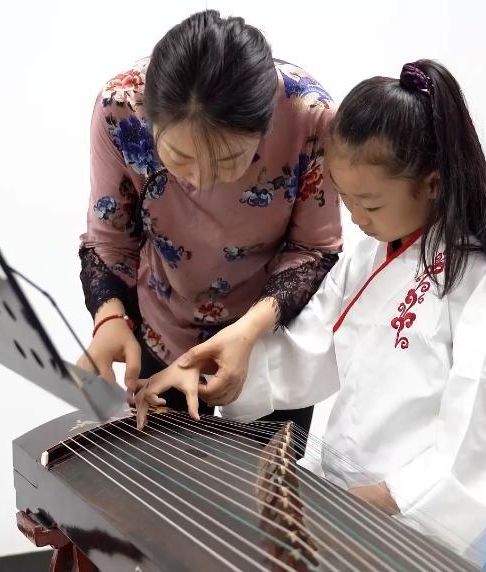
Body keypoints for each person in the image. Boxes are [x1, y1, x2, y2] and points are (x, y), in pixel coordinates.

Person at [136, 59, 486, 565]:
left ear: (432, 183)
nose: (357, 219)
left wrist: (388, 498)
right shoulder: (368, 256)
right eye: (347, 201)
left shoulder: (479, 277)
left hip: (417, 519)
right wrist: (210, 372)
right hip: (346, 491)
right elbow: (310, 345)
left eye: (371, 204)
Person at [78, 10, 342, 431]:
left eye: (228, 161)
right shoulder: (121, 109)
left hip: (266, 331)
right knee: (160, 467)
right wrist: (109, 319)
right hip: (163, 320)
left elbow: (313, 248)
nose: (201, 180)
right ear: (150, 119)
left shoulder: (310, 116)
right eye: (179, 157)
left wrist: (248, 331)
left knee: (264, 473)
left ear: (265, 126)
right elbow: (111, 238)